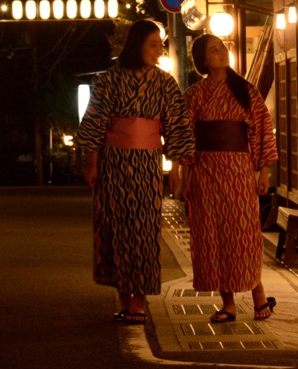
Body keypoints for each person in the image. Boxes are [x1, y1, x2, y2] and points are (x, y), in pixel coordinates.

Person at [77, 19, 196, 326]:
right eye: (153, 45)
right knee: (115, 227)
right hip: (113, 163)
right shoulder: (109, 80)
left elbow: (177, 126)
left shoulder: (165, 83)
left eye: (160, 46)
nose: (159, 51)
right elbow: (95, 122)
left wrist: (176, 167)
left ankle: (139, 301)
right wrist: (92, 163)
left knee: (144, 229)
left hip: (147, 164)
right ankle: (123, 298)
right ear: (137, 45)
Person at [183, 33, 279, 323]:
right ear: (202, 60)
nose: (222, 52)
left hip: (239, 169)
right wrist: (185, 175)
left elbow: (263, 128)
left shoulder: (246, 90)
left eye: (222, 48)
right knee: (213, 235)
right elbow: (185, 136)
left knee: (243, 233)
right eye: (214, 50)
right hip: (205, 170)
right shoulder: (194, 94)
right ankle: (228, 304)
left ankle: (258, 294)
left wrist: (264, 171)